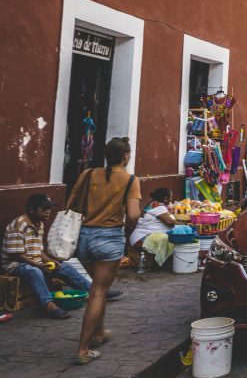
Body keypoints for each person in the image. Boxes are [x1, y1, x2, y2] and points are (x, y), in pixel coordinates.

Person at [68, 137, 142, 365]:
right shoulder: (130, 180)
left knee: (96, 289)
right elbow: (132, 216)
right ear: (126, 156)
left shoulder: (88, 174)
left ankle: (98, 333)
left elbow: (72, 205)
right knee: (98, 292)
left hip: (84, 238)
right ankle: (83, 349)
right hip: (108, 238)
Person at [1, 194, 97, 319]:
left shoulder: (39, 224)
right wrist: (38, 265)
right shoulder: (19, 225)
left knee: (64, 267)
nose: (48, 212)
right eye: (44, 209)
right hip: (13, 265)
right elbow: (16, 255)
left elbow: (39, 252)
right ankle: (48, 306)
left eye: (49, 209)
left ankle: (95, 292)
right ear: (31, 210)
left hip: (33, 262)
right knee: (34, 271)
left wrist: (50, 261)